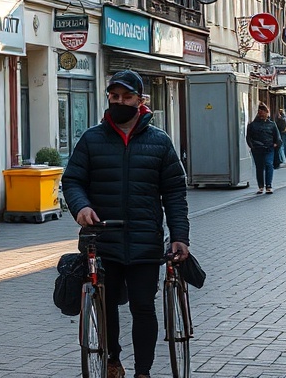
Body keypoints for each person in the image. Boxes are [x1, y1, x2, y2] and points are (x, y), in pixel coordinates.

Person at [62, 69, 190, 378]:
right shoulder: (92, 139)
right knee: (107, 304)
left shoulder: (160, 142)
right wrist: (81, 207)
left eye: (126, 97)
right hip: (104, 236)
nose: (119, 102)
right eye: (114, 97)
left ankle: (143, 372)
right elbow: (73, 180)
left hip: (145, 239)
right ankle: (113, 360)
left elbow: (174, 192)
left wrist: (179, 236)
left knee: (143, 307)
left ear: (140, 101)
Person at [247, 103, 281, 194]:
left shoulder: (272, 124)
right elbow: (249, 137)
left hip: (269, 148)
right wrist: (252, 146)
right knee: (259, 167)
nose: (262, 114)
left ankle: (268, 186)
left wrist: (275, 144)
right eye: (260, 112)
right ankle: (261, 186)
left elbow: (277, 137)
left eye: (264, 112)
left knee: (268, 164)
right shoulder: (253, 125)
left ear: (267, 113)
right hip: (257, 149)